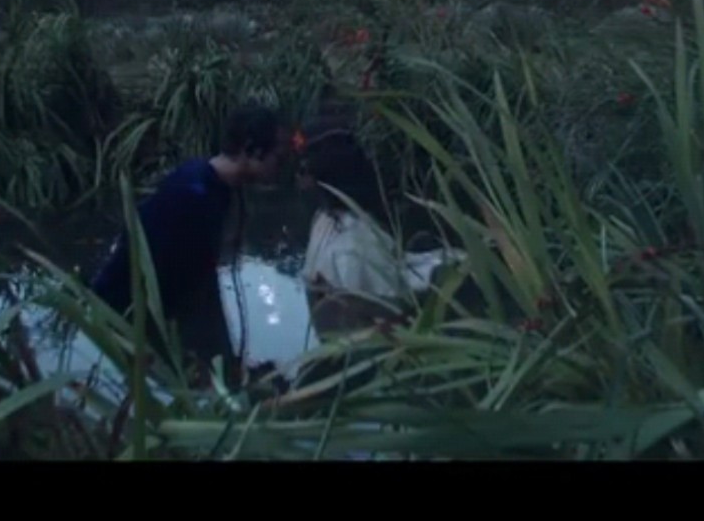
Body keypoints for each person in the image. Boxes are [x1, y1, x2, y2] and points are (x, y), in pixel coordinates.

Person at [89, 103, 284, 382]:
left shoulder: (212, 184)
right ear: (251, 150)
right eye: (277, 156)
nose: (280, 165)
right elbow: (182, 285)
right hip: (130, 315)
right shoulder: (194, 197)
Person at [293, 115, 459, 337]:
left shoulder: (324, 219)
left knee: (430, 247)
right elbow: (393, 304)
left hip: (342, 326)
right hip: (376, 332)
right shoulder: (354, 244)